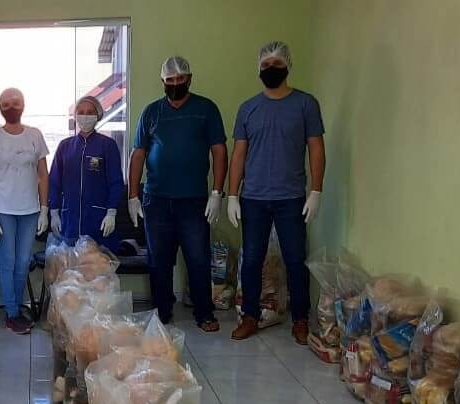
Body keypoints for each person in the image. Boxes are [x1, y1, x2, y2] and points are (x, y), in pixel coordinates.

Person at [227, 41, 325, 344]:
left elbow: (316, 149)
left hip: (291, 197)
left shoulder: (306, 104)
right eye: (266, 64)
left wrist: (316, 191)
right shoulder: (248, 108)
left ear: (288, 66)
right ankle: (251, 317)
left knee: (296, 260)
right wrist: (232, 194)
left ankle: (300, 320)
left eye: (277, 64)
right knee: (252, 259)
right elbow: (239, 154)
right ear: (258, 68)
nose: (271, 68)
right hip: (254, 197)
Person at [127, 56, 227, 332]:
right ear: (162, 82)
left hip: (194, 200)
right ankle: (162, 311)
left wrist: (218, 192)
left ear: (189, 79)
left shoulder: (206, 109)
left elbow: (219, 150)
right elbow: (138, 154)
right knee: (159, 260)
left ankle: (204, 313)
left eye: (179, 79)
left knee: (197, 258)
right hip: (156, 199)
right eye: (169, 81)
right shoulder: (151, 112)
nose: (175, 84)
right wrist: (132, 195)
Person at [0, 87, 49, 335]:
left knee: (23, 262)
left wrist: (44, 208)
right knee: (7, 262)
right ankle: (11, 313)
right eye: (5, 103)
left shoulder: (34, 135)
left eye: (15, 102)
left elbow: (42, 175)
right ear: (0, 108)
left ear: (23, 105)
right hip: (3, 211)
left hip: (30, 211)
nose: (11, 106)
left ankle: (17, 307)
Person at [47, 95, 124, 249]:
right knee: (72, 271)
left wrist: (111, 212)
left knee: (97, 270)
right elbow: (54, 182)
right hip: (70, 221)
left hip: (98, 221)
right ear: (75, 116)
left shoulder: (107, 145)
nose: (85, 115)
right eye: (81, 112)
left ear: (98, 115)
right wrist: (54, 211)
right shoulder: (65, 146)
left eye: (90, 112)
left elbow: (116, 182)